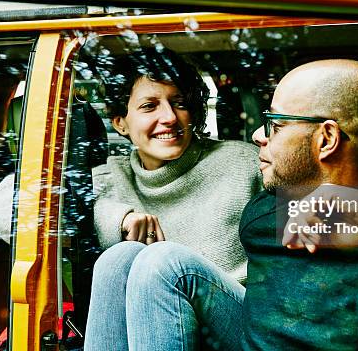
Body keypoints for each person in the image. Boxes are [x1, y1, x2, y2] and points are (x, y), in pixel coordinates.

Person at [114, 58, 358, 351]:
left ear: (326, 139)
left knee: (163, 261)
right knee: (124, 258)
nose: (258, 135)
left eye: (275, 125)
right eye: (149, 106)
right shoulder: (264, 212)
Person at [83, 47, 262, 350]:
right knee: (117, 259)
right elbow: (0, 208)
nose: (168, 117)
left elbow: (342, 213)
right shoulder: (113, 176)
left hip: (241, 327)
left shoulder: (244, 162)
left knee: (162, 259)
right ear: (120, 123)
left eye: (179, 103)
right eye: (149, 106)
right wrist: (116, 217)